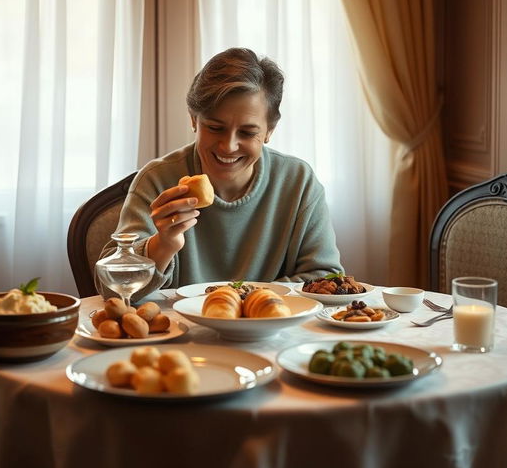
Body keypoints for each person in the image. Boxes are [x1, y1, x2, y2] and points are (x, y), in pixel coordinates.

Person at [114, 47, 343, 298]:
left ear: (269, 131)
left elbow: (325, 278)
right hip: (180, 332)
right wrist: (162, 245)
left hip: (272, 330)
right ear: (193, 120)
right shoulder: (157, 180)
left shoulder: (298, 182)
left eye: (247, 133)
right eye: (214, 127)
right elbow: (111, 289)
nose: (228, 146)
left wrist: (241, 300)